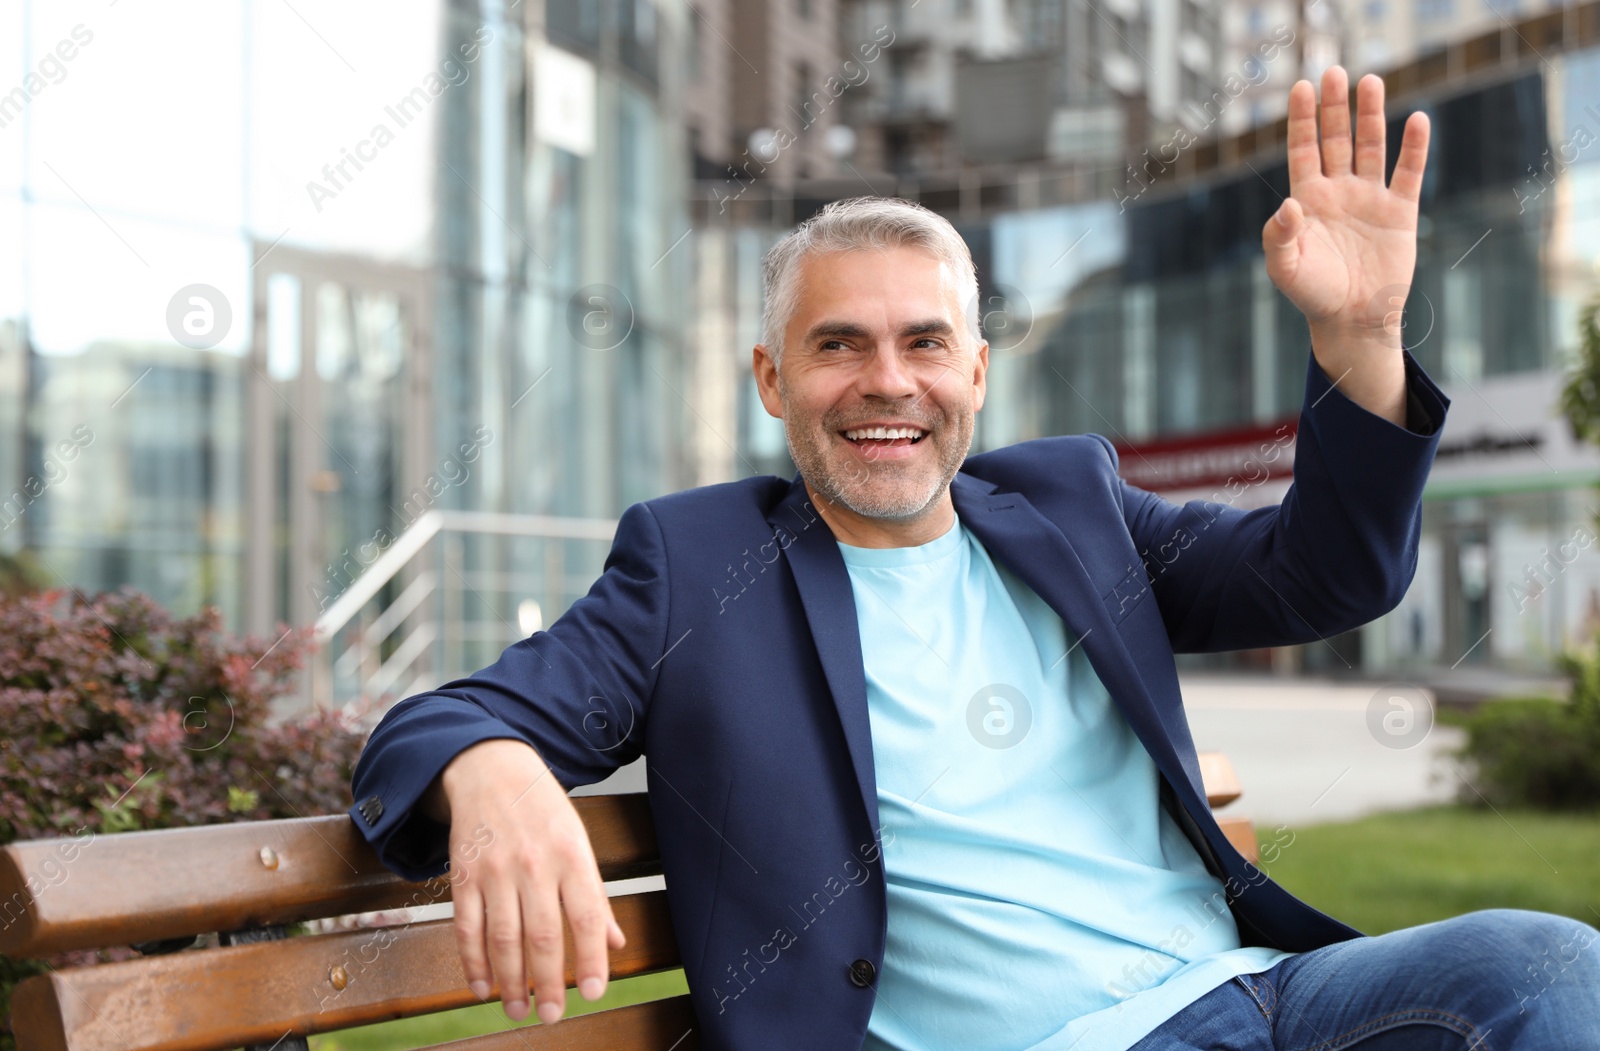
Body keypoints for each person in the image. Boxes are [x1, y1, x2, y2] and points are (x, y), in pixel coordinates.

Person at [348, 67, 1599, 1049]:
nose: (888, 381)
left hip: (1265, 998)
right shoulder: (695, 563)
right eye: (839, 344)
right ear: (773, 379)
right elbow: (433, 724)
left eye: (924, 342)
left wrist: (1361, 340)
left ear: (977, 371)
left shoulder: (1070, 504)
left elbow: (1322, 578)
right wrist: (497, 767)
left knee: (1545, 966)